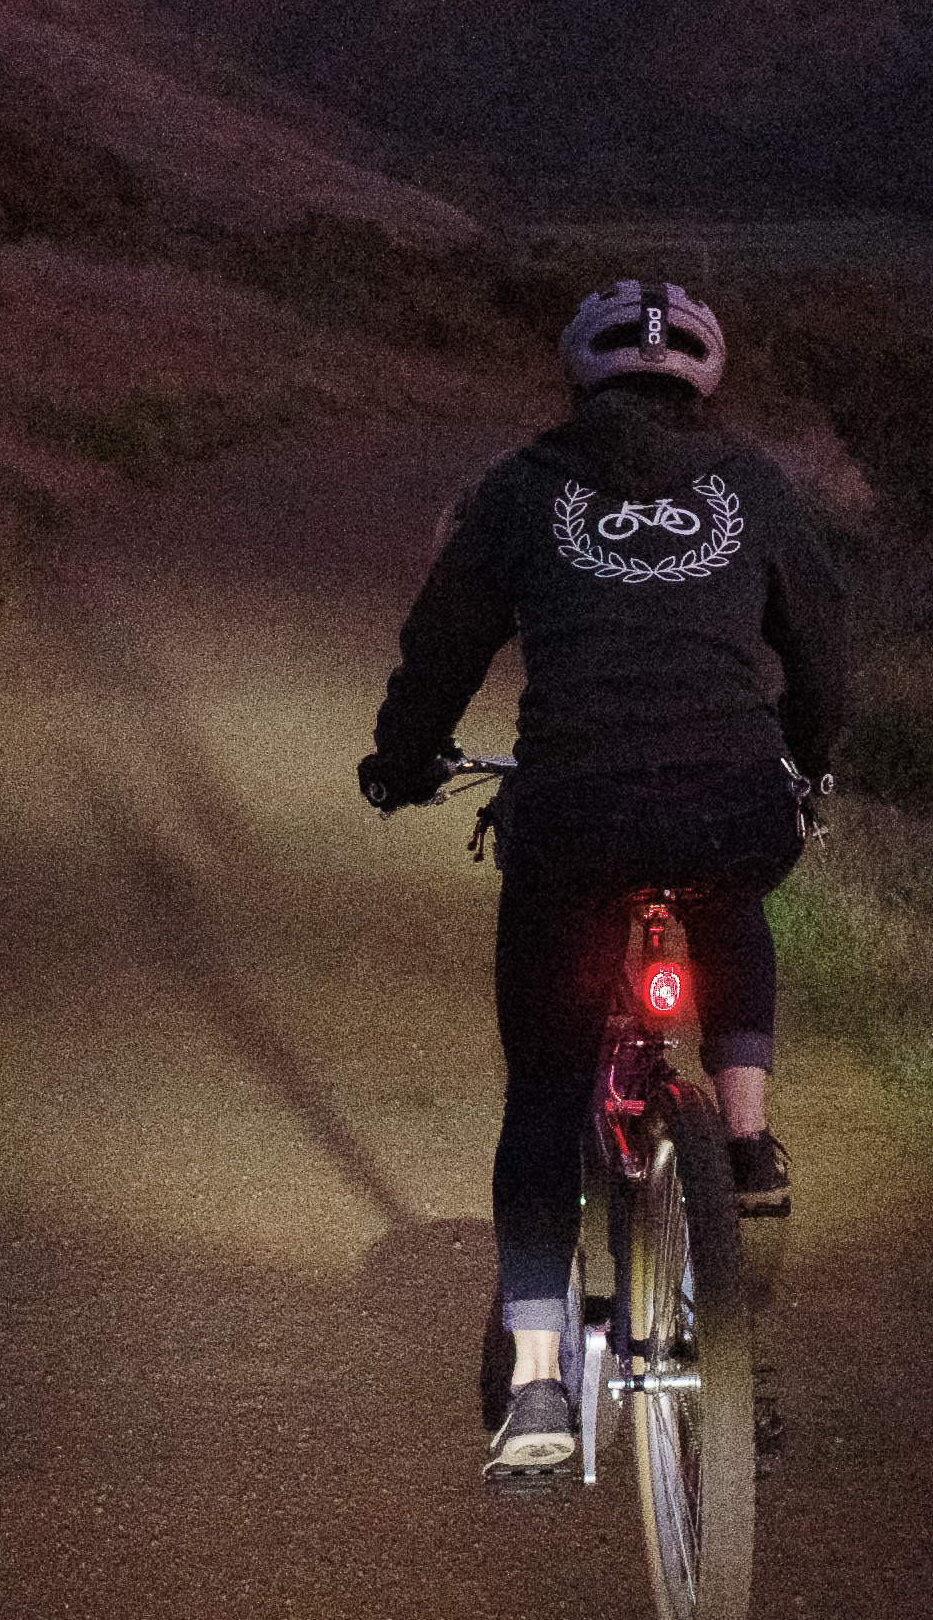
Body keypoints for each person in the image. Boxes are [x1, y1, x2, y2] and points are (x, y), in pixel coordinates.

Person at [358, 278, 853, 1480]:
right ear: (704, 382)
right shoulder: (758, 488)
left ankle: (537, 1385)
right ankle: (744, 1137)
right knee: (729, 882)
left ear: (577, 378)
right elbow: (827, 663)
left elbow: (442, 650)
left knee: (544, 1088)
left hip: (574, 814)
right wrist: (808, 761)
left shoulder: (521, 489)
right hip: (735, 801)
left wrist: (403, 760)